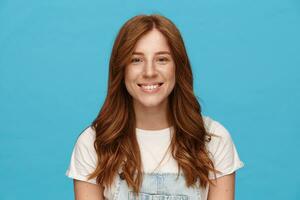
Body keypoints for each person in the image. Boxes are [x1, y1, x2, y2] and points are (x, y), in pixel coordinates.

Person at [65, 14, 244, 200]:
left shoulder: (214, 140)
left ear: (178, 67)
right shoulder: (94, 143)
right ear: (121, 69)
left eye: (162, 59)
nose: (149, 72)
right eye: (136, 60)